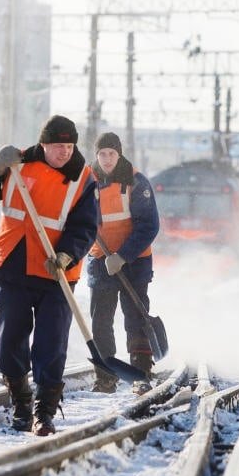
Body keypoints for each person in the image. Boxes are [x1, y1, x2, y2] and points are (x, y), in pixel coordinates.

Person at [0, 115, 98, 436]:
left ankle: (45, 412)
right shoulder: (18, 163)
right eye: (58, 146)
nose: (64, 152)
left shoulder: (83, 178)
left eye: (69, 146)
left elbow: (86, 226)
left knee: (51, 343)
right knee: (9, 340)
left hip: (56, 271)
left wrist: (68, 254)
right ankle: (21, 402)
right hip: (14, 261)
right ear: (44, 144)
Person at [87, 132, 160, 395]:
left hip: (134, 261)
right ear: (96, 155)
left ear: (119, 155)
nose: (107, 159)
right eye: (102, 154)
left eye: (112, 154)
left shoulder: (136, 182)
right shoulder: (86, 182)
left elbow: (149, 225)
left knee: (136, 317)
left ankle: (140, 374)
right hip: (100, 261)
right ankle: (106, 377)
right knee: (100, 321)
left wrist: (123, 256)